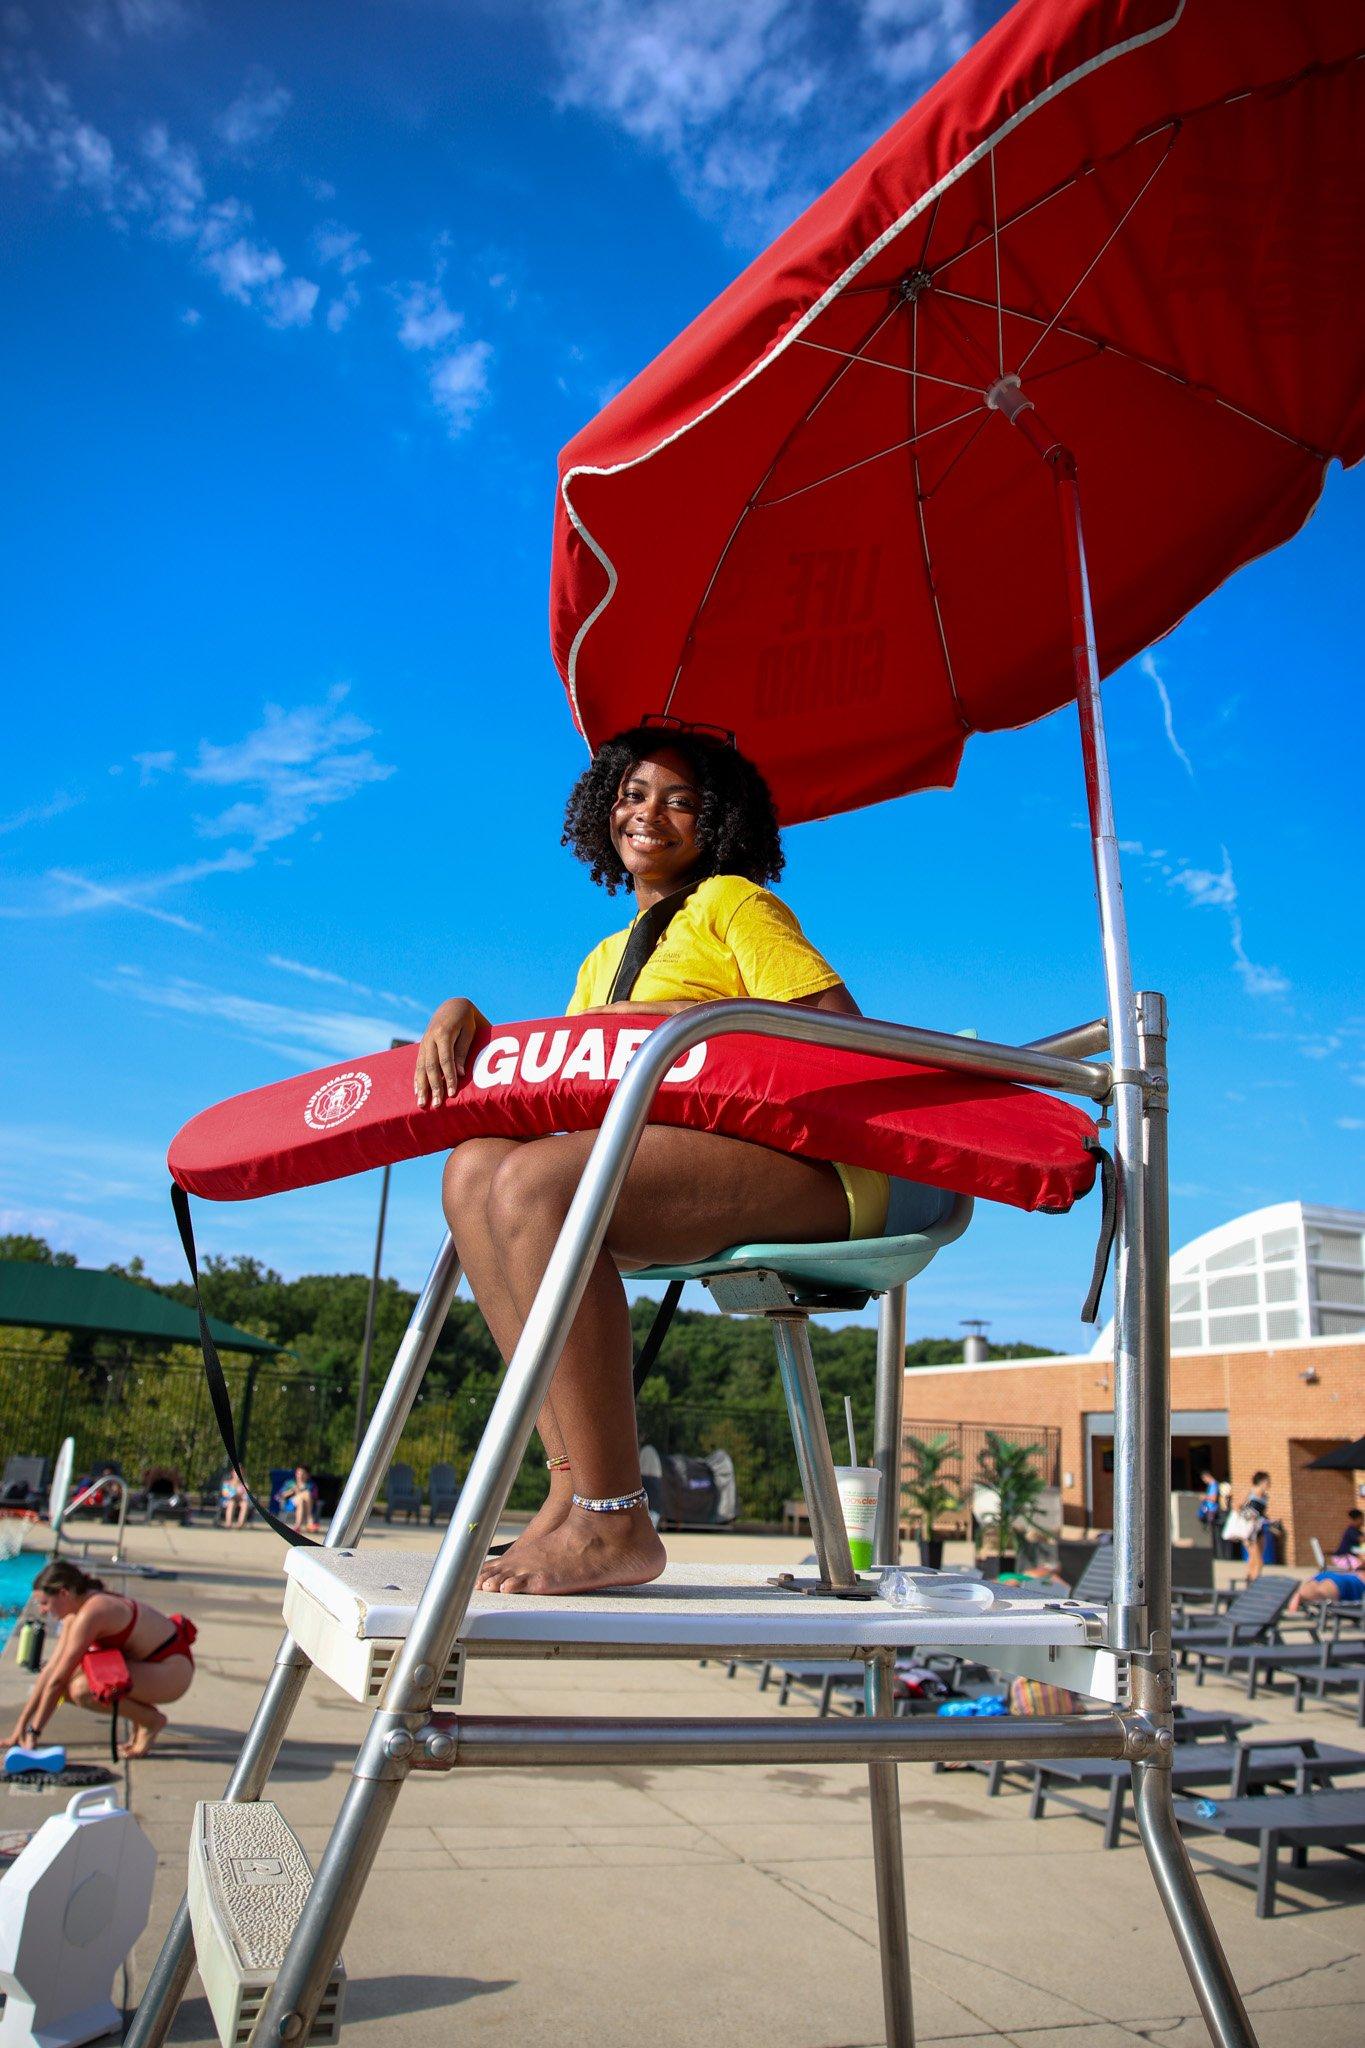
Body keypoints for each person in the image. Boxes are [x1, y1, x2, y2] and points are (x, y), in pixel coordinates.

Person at [418, 720, 930, 1598]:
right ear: (602, 812)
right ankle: (572, 1485)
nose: (649, 813)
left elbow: (840, 1038)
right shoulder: (601, 960)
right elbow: (566, 1089)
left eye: (681, 800)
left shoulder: (733, 903)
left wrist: (682, 1034)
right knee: (473, 1169)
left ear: (717, 821)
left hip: (815, 1174)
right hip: (665, 1173)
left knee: (542, 1184)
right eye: (632, 794)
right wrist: (469, 1013)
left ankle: (618, 1520)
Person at [7, 1559, 195, 1760]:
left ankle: (150, 1721)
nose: (43, 1610)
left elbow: (58, 1680)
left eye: (45, 1603)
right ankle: (143, 1718)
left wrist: (34, 1732)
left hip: (171, 1674)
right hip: (150, 1667)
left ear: (64, 1593)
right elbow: (51, 1672)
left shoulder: (93, 1612)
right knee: (70, 1686)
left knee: (82, 1689)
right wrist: (20, 1728)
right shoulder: (75, 1612)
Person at [1285, 1564, 1364, 1615]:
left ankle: (1294, 1596)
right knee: (1319, 1591)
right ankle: (1298, 1596)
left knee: (1315, 1588)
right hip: (1349, 1584)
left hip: (1332, 1575)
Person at [1236, 1471, 1271, 1582]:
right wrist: (1249, 1516)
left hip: (1259, 1528)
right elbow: (1237, 1507)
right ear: (1261, 1481)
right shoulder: (1250, 1493)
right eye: (1267, 1481)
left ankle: (1249, 1577)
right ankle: (1254, 1582)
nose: (1269, 1483)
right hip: (1250, 1530)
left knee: (1255, 1557)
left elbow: (1262, 1513)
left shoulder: (1265, 1496)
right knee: (1259, 1561)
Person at [282, 1465, 320, 1535]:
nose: (300, 1476)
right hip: (291, 1504)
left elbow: (315, 1497)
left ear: (308, 1475)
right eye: (298, 1473)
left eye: (303, 1473)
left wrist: (300, 1492)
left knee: (302, 1500)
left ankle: (297, 1525)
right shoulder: (290, 1483)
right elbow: (281, 1495)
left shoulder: (311, 1485)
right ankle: (309, 1520)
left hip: (306, 1504)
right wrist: (292, 1491)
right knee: (306, 1494)